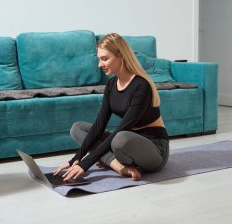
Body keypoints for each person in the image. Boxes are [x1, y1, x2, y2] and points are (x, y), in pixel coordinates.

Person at [54, 33, 169, 181]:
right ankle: (118, 166)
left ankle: (111, 160)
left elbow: (122, 129)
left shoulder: (141, 86)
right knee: (78, 128)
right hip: (126, 141)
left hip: (154, 149)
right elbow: (98, 126)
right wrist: (75, 160)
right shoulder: (111, 84)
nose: (99, 64)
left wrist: (85, 164)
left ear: (120, 55)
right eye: (99, 59)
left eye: (104, 59)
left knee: (119, 139)